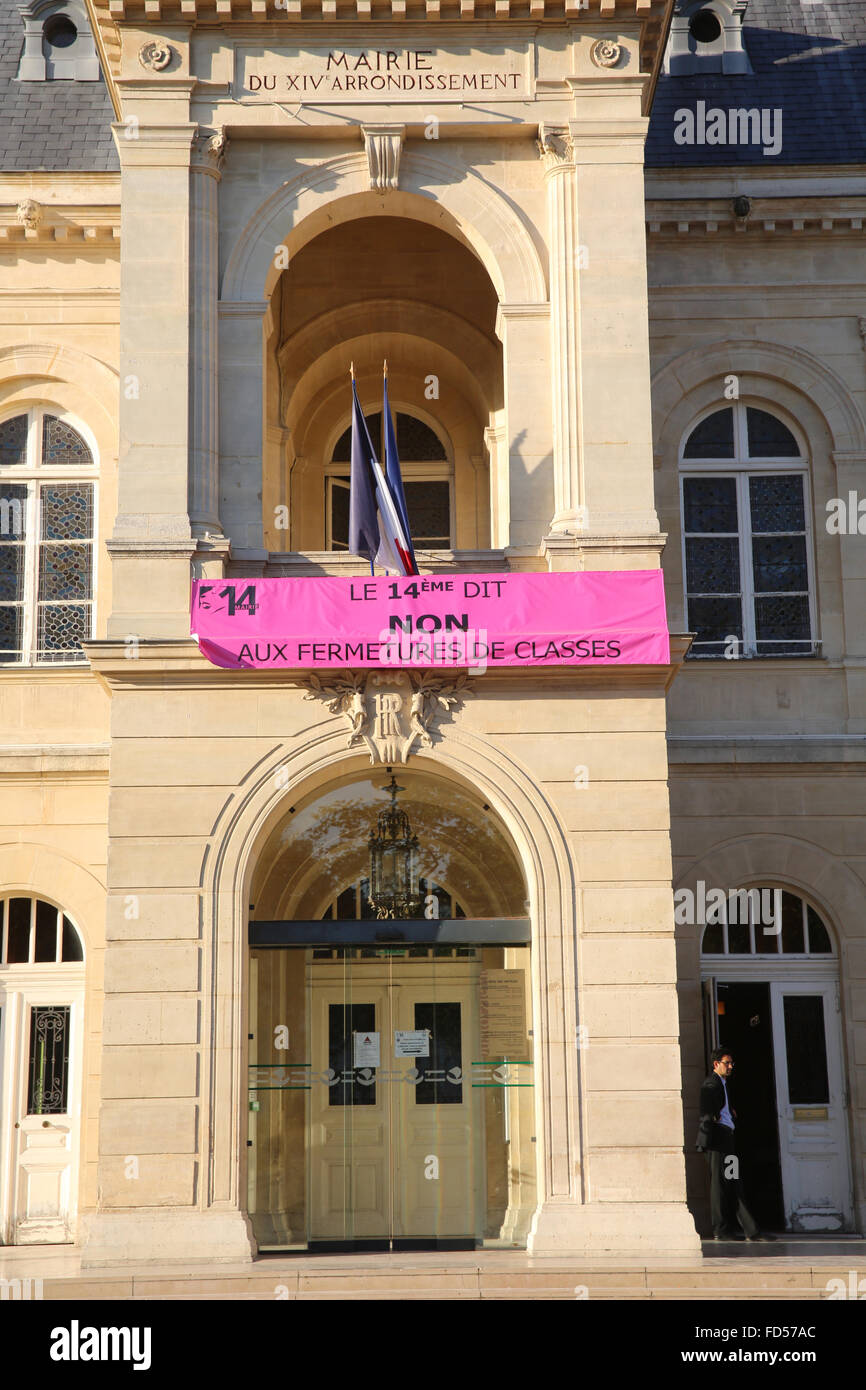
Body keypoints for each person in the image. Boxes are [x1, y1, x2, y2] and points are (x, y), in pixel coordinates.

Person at [696, 1046, 774, 1242]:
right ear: (716, 1064)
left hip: (727, 1139)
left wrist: (729, 1111)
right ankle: (720, 1230)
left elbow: (721, 1107)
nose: (730, 1066)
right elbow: (706, 1114)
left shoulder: (722, 1083)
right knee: (719, 1186)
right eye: (727, 1063)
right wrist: (705, 1139)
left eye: (731, 1063)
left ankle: (751, 1231)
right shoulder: (710, 1084)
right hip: (717, 1141)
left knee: (733, 1180)